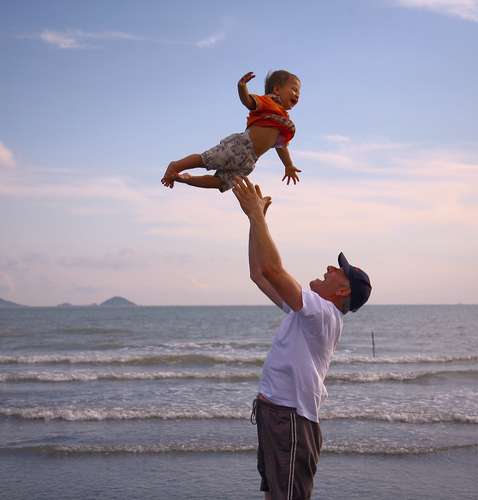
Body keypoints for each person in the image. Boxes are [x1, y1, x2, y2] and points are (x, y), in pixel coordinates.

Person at [232, 176, 372, 500]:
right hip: (275, 415)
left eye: (337, 270)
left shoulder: (322, 313)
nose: (329, 267)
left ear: (343, 291)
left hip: (291, 419)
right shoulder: (307, 313)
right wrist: (256, 221)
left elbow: (274, 270)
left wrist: (257, 215)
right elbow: (259, 274)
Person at [160, 70, 302, 193]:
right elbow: (248, 101)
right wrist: (242, 87)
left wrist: (288, 165)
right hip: (240, 146)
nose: (297, 95)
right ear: (277, 90)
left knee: (221, 182)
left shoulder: (283, 120)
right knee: (207, 160)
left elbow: (281, 146)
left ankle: (185, 179)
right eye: (294, 89)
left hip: (250, 160)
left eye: (299, 92)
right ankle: (176, 165)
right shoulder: (268, 102)